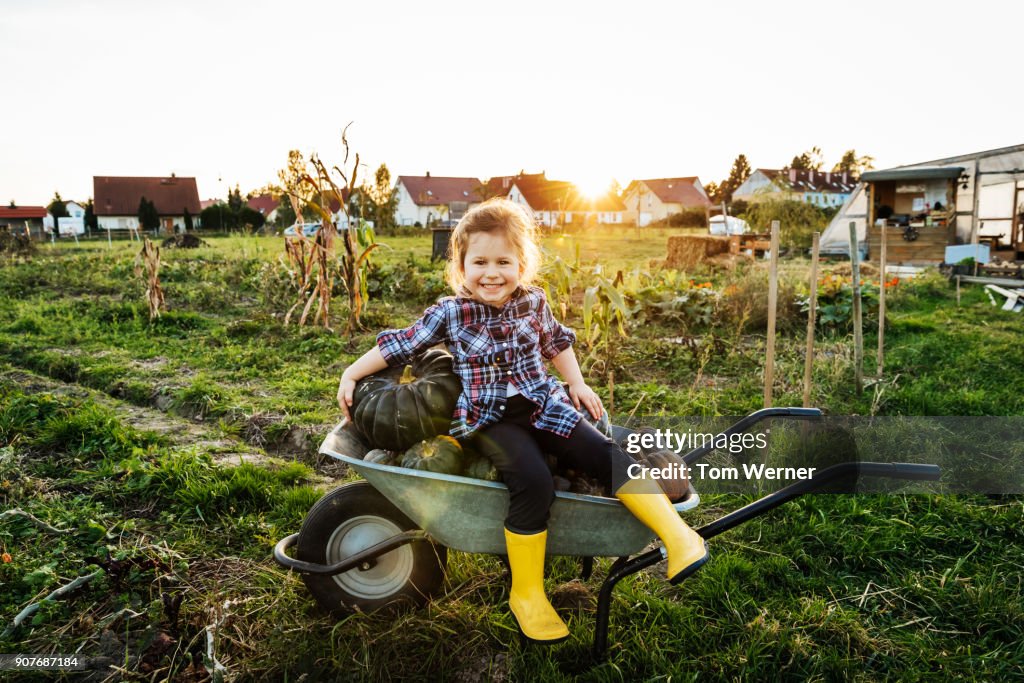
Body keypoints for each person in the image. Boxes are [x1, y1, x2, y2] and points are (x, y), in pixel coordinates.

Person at [337, 199, 708, 644]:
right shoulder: (451, 312)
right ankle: (527, 593)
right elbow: (400, 344)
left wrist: (577, 383)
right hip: (491, 419)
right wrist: (352, 372)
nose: (491, 273)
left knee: (605, 453)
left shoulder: (533, 302)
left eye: (503, 262)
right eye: (479, 262)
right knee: (533, 481)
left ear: (521, 264)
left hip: (544, 403)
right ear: (460, 265)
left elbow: (556, 342)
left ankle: (678, 535)